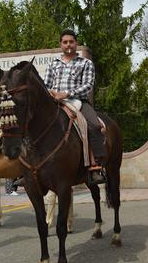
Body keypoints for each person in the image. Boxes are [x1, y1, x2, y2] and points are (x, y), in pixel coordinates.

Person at [43, 29, 106, 186]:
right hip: (54, 102)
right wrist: (50, 94)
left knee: (94, 125)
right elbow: (46, 85)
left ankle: (95, 166)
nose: (68, 45)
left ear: (76, 43)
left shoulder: (85, 63)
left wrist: (65, 94)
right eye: (65, 42)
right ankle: (25, 169)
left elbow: (88, 86)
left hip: (78, 101)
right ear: (60, 44)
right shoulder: (53, 64)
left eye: (71, 41)